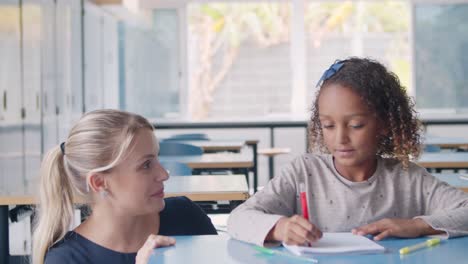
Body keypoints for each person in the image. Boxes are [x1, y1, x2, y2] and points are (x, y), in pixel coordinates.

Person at [227, 57, 468, 246]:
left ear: (383, 124)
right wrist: (279, 227)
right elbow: (238, 218)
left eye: (356, 125)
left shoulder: (408, 179)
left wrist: (417, 225)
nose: (340, 138)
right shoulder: (303, 173)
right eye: (328, 126)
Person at [32, 109, 217, 264]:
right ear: (99, 182)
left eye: (156, 159)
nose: (164, 174)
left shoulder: (186, 216)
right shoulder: (67, 259)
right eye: (146, 165)